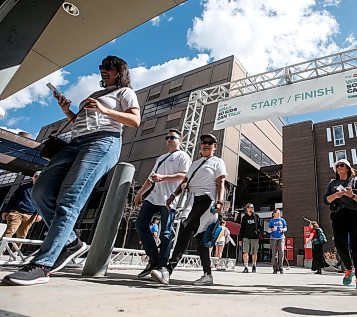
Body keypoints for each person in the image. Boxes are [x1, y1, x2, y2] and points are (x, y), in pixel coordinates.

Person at [3, 56, 141, 286]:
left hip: (102, 142)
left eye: (108, 67)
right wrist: (67, 111)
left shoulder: (125, 92)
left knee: (70, 197)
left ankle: (43, 264)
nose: (103, 70)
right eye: (101, 67)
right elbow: (82, 122)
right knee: (41, 191)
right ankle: (72, 243)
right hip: (75, 142)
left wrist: (103, 110)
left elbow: (134, 120)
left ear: (120, 71)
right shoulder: (97, 95)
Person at [165, 133, 227, 286]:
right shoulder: (194, 163)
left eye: (210, 143)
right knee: (201, 238)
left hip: (206, 200)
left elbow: (221, 183)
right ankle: (207, 275)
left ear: (215, 147)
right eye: (204, 142)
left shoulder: (217, 162)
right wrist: (173, 195)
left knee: (186, 229)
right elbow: (185, 182)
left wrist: (219, 202)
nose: (206, 144)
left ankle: (168, 270)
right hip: (192, 200)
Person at [134, 129, 191, 282]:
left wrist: (164, 177)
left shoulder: (183, 156)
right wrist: (140, 193)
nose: (169, 139)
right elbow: (151, 178)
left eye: (173, 137)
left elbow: (184, 176)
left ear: (180, 140)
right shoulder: (161, 158)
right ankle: (153, 260)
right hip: (153, 197)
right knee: (140, 224)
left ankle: (162, 266)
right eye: (167, 137)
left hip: (169, 199)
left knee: (166, 233)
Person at [323, 159, 357, 290]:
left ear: (347, 168)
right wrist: (335, 195)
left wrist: (351, 195)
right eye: (337, 166)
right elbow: (325, 200)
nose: (339, 168)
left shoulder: (355, 182)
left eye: (342, 165)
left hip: (354, 215)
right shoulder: (333, 183)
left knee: (356, 246)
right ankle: (349, 268)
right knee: (340, 245)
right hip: (338, 215)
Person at [1, 171, 43, 247]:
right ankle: (1, 250)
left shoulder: (43, 191)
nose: (38, 178)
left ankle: (14, 253)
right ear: (33, 177)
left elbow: (42, 203)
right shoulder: (23, 187)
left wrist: (40, 214)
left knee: (22, 236)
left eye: (40, 177)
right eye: (36, 177)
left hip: (30, 216)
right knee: (9, 232)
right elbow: (12, 199)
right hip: (16, 213)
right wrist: (6, 211)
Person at [239, 203, 261, 273]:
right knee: (245, 252)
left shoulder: (256, 216)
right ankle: (246, 267)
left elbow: (260, 226)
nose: (252, 208)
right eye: (251, 207)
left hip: (255, 237)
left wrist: (260, 232)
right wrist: (240, 239)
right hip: (246, 237)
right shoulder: (244, 218)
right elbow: (242, 229)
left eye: (253, 207)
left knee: (254, 252)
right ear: (247, 208)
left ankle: (254, 266)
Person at [268, 209, 287, 274]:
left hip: (281, 238)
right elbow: (269, 230)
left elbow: (285, 228)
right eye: (278, 213)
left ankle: (280, 266)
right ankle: (275, 267)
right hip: (273, 238)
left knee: (281, 251)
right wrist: (272, 229)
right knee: (274, 253)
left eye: (279, 213)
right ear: (274, 214)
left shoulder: (282, 220)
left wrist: (283, 230)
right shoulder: (272, 221)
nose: (279, 214)